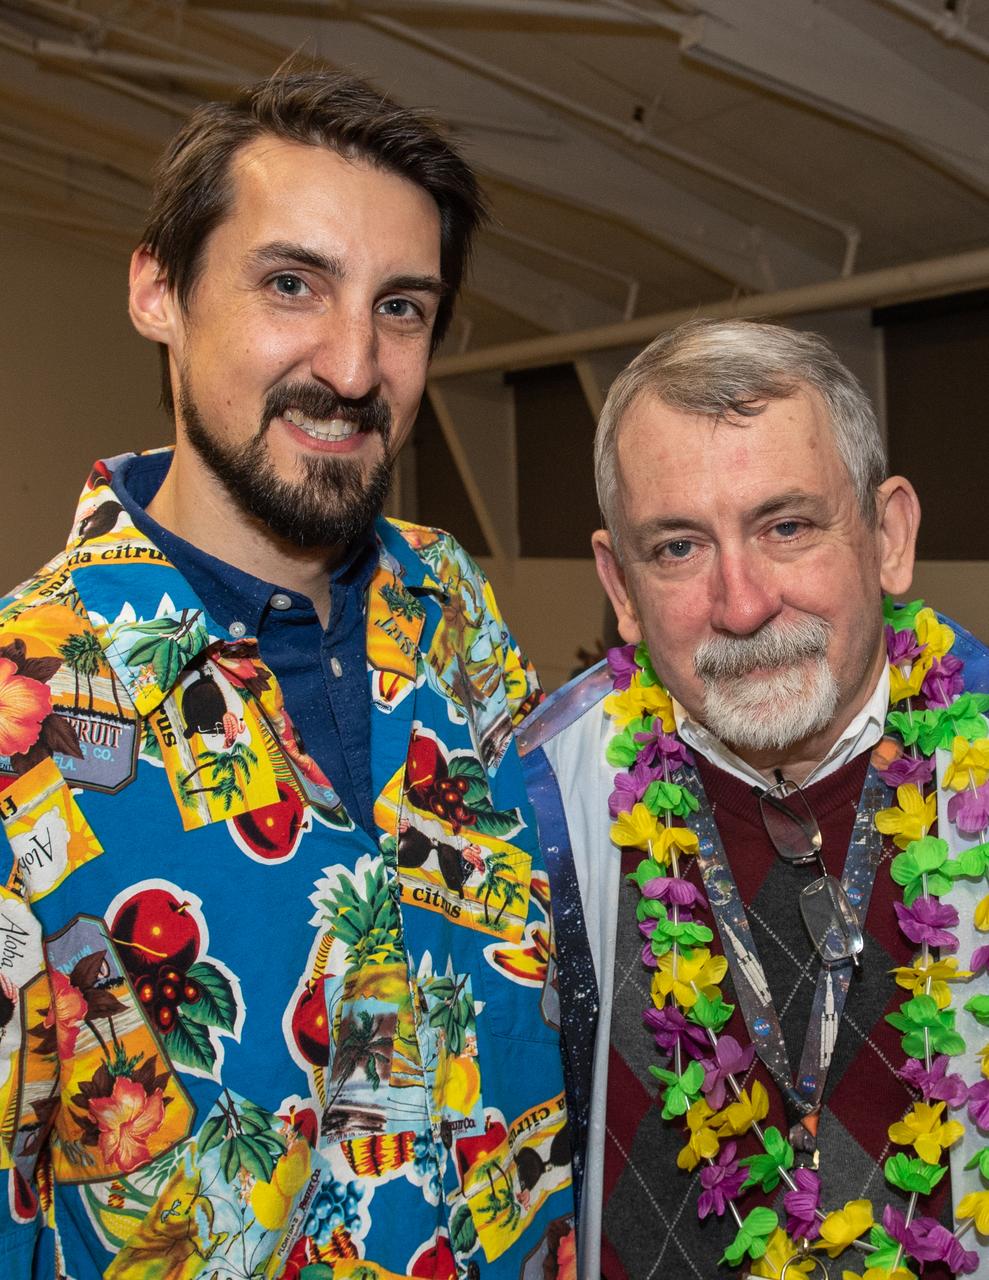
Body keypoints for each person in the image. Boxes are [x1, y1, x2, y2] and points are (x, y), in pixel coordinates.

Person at [0, 72, 575, 1278]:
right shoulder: (23, 710)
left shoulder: (450, 608)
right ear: (157, 287)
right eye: (291, 284)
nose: (353, 366)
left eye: (402, 306)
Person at [519, 319, 989, 1278]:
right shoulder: (537, 802)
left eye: (786, 527)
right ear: (618, 582)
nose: (740, 604)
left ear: (889, 535)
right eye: (679, 547)